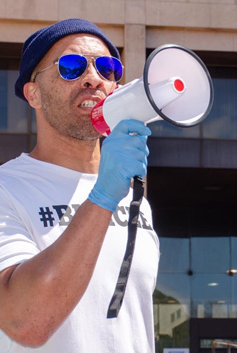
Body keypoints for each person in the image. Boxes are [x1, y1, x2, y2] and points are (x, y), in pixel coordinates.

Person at [0, 19, 159, 352]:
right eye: (71, 67)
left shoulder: (134, 198)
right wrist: (101, 198)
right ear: (34, 93)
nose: (93, 78)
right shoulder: (7, 188)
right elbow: (25, 322)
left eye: (107, 68)